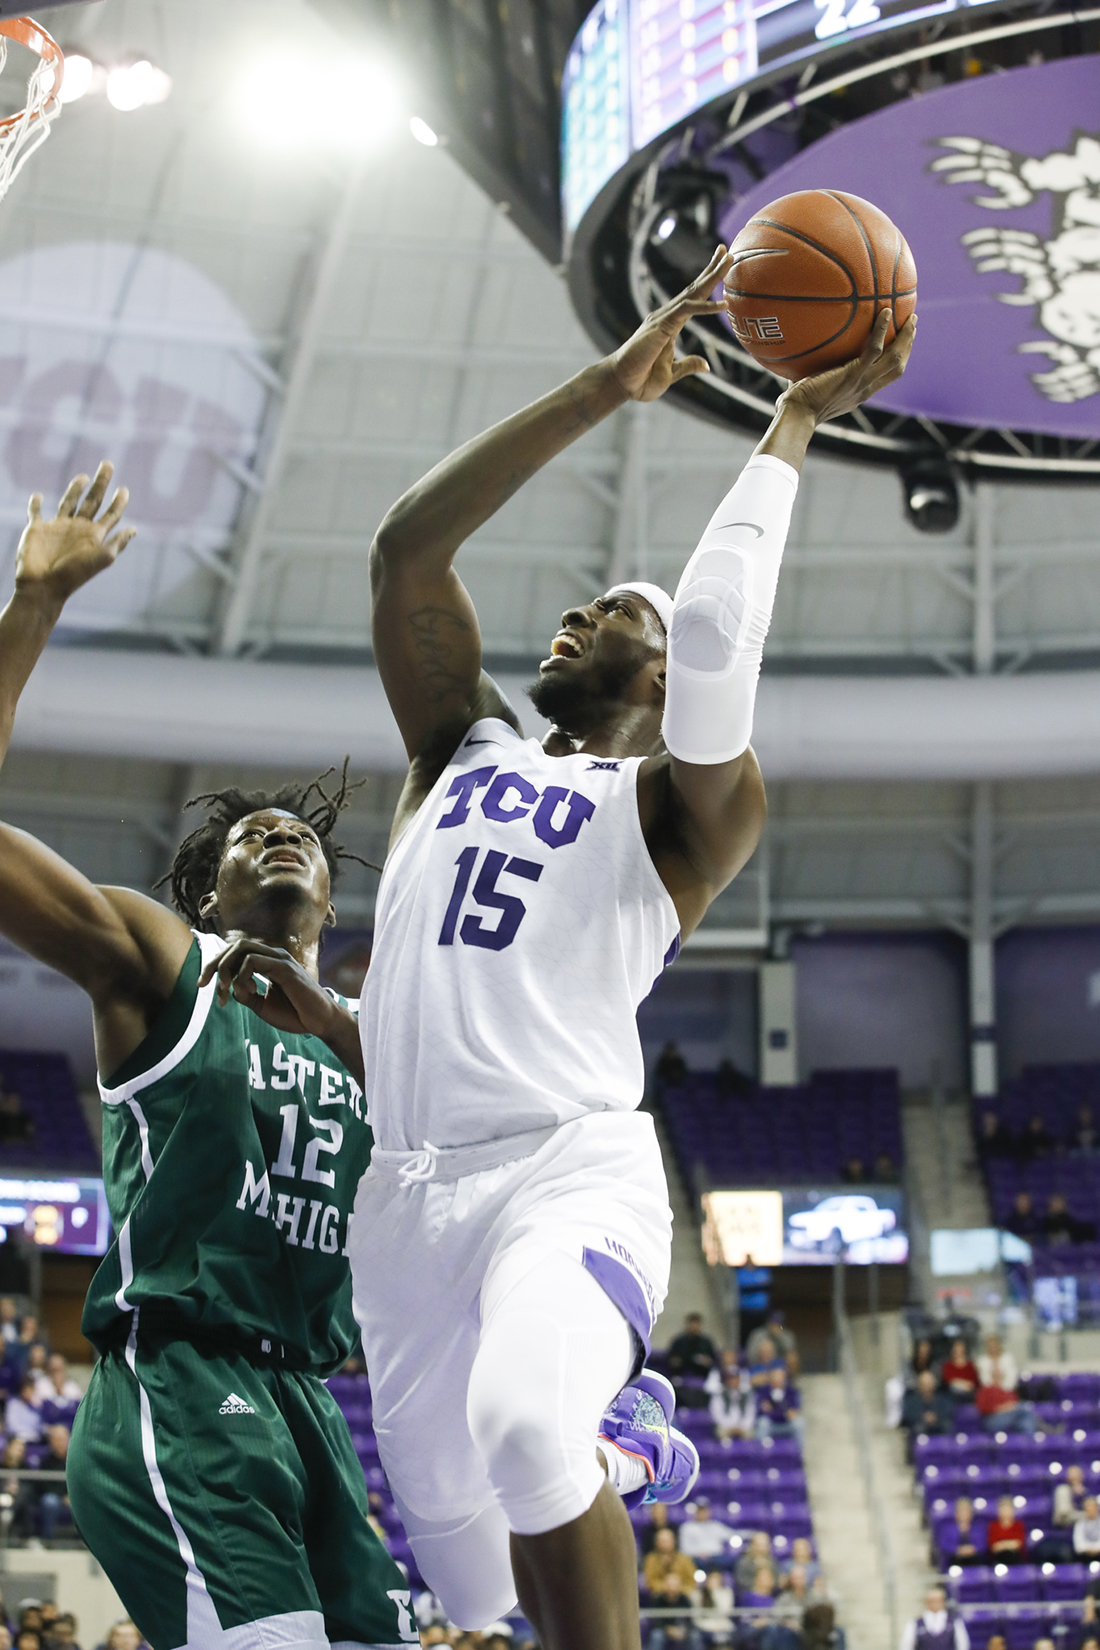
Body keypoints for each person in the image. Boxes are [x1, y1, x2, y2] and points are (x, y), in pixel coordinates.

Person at [346, 243, 913, 1645]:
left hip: (564, 1168)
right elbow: (408, 550)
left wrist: (789, 422)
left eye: (612, 610)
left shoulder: (682, 811)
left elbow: (715, 624)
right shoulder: (455, 749)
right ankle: (622, 1448)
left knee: (525, 1430)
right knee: (470, 1596)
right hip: (402, 1201)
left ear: (658, 676)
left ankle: (593, 1439)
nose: (574, 613)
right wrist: (599, 389)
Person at [0, 467, 414, 1650]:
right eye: (246, 837)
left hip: (310, 1406)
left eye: (297, 835)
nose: (277, 832)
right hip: (178, 1385)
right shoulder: (160, 962)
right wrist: (35, 604)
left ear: (329, 900)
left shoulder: (377, 1042)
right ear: (207, 894)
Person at [898, 1585, 969, 1650]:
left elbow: (963, 1645)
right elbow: (906, 1645)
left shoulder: (954, 1623)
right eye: (931, 1601)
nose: (934, 1604)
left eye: (937, 1600)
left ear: (943, 1602)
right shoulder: (915, 1624)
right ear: (926, 1602)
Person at [708, 1355, 755, 1442]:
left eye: (735, 1378)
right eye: (731, 1379)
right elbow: (717, 1414)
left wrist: (742, 1427)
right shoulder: (720, 1394)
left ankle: (747, 1450)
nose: (733, 1381)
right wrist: (730, 1427)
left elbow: (750, 1413)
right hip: (726, 1426)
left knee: (749, 1432)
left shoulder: (746, 1394)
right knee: (721, 1431)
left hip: (743, 1426)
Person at [667, 1314, 720, 1389]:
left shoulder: (706, 1342)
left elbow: (713, 1360)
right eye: (692, 1325)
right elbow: (671, 1359)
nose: (694, 1328)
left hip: (702, 1375)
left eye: (696, 1325)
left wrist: (706, 1361)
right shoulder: (679, 1342)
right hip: (681, 1374)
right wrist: (676, 1362)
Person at [679, 1497, 735, 1564]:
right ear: (695, 1511)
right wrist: (698, 1554)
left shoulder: (716, 1526)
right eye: (700, 1510)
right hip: (696, 1559)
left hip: (717, 1558)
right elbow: (684, 1549)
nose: (702, 1513)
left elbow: (732, 1534)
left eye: (704, 1510)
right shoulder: (687, 1527)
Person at [644, 1528, 697, 1597]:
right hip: (660, 1594)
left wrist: (677, 1587)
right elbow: (650, 1581)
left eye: (667, 1541)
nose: (665, 1544)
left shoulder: (684, 1558)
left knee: (695, 1595)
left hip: (683, 1592)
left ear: (674, 1541)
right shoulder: (651, 1559)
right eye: (662, 1541)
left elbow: (691, 1581)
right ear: (657, 1543)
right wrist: (667, 1586)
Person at [754, 1367, 802, 1442]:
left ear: (784, 1379)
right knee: (762, 1422)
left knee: (799, 1423)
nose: (777, 1381)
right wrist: (783, 1412)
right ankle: (761, 1448)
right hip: (770, 1424)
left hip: (786, 1424)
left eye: (780, 1378)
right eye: (775, 1378)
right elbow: (762, 1410)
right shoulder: (763, 1391)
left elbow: (793, 1412)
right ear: (770, 1379)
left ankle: (798, 1449)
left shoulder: (791, 1391)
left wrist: (773, 1410)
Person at [902, 1371, 954, 1435]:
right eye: (924, 1385)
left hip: (939, 1422)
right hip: (920, 1423)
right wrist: (923, 1417)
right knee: (917, 1428)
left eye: (930, 1384)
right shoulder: (912, 1400)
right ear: (919, 1386)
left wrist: (936, 1417)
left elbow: (948, 1411)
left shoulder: (942, 1398)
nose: (927, 1387)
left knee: (948, 1425)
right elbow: (908, 1414)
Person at [939, 1497, 986, 1567]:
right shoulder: (948, 1529)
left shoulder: (978, 1529)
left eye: (966, 1511)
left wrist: (972, 1549)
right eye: (962, 1511)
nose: (964, 1514)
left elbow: (982, 1545)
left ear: (971, 1514)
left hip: (974, 1559)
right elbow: (944, 1545)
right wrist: (958, 1550)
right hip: (955, 1559)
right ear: (956, 1514)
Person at [986, 1495, 1027, 1562]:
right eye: (1003, 1509)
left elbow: (1018, 1544)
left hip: (1015, 1557)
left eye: (1008, 1509)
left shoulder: (1018, 1525)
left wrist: (1002, 1545)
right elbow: (993, 1546)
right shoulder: (993, 1526)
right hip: (998, 1557)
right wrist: (1009, 1544)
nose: (1005, 1512)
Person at [940, 1340, 980, 1405]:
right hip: (952, 1395)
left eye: (961, 1350)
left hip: (968, 1395)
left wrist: (958, 1381)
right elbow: (947, 1380)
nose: (959, 1352)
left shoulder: (970, 1365)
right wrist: (963, 1383)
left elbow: (974, 1382)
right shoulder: (948, 1365)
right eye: (956, 1350)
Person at [4, 1376, 41, 1442]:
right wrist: (28, 1434)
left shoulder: (36, 1406)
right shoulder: (13, 1404)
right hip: (16, 1439)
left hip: (33, 1440)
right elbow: (12, 1426)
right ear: (22, 1391)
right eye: (28, 1390)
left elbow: (39, 1426)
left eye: (32, 1390)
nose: (30, 1393)